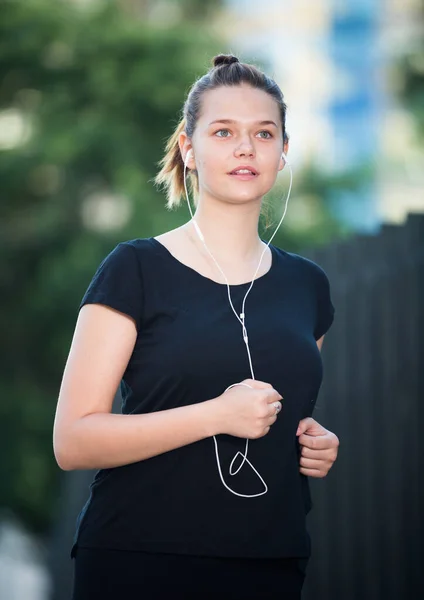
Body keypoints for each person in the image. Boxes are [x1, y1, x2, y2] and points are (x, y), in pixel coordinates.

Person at [53, 53, 338, 600]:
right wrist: (216, 415)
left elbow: (287, 419)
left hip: (270, 561)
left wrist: (313, 441)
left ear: (283, 152)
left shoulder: (310, 287)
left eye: (263, 133)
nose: (245, 148)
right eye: (223, 131)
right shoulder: (135, 268)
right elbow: (73, 440)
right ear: (189, 147)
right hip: (140, 561)